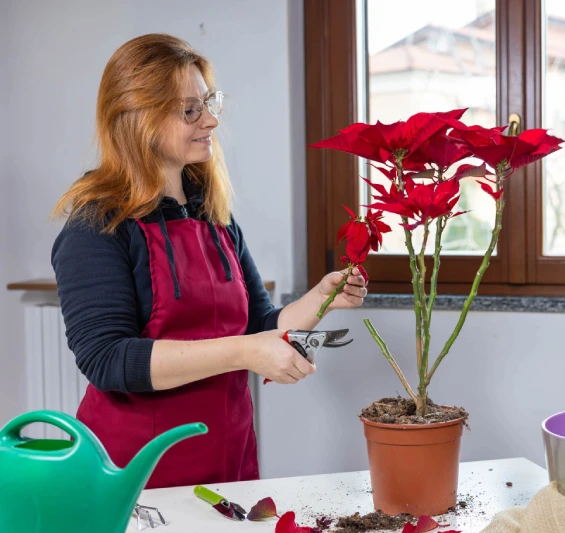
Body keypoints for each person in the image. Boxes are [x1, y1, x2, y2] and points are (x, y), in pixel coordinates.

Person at [50, 34, 367, 489]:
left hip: (228, 461)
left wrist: (321, 299)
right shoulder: (97, 224)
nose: (212, 120)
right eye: (190, 110)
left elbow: (261, 323)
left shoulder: (213, 215)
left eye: (209, 103)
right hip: (135, 475)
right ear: (138, 118)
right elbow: (107, 359)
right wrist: (245, 352)